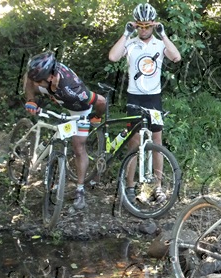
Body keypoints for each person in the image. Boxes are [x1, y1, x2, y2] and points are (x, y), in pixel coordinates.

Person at [108, 3, 181, 203]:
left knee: (157, 141)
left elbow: (176, 57)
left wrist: (163, 34)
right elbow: (113, 57)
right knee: (133, 142)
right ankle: (130, 185)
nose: (143, 30)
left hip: (153, 98)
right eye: (140, 26)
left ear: (153, 24)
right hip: (134, 97)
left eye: (147, 26)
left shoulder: (159, 44)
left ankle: (157, 186)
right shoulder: (130, 43)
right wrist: (126, 33)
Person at [23, 51, 106, 210]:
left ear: (50, 77)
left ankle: (80, 189)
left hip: (78, 109)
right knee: (30, 82)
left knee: (79, 147)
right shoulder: (44, 77)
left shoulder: (74, 89)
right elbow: (28, 78)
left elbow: (101, 101)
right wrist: (31, 100)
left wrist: (97, 117)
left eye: (38, 80)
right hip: (56, 93)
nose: (35, 82)